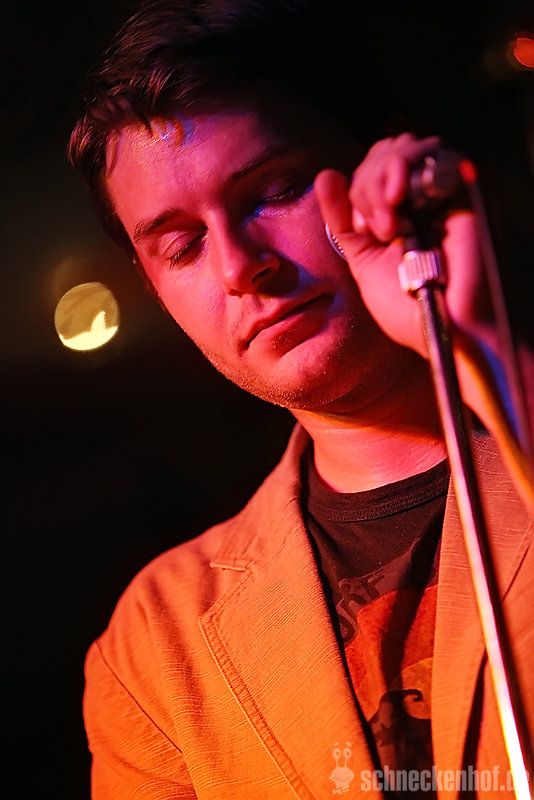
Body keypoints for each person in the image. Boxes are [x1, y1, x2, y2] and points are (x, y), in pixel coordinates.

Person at [68, 1, 534, 797]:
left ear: (383, 159)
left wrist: (483, 350)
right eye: (182, 244)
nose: (239, 265)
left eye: (276, 191)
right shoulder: (154, 646)